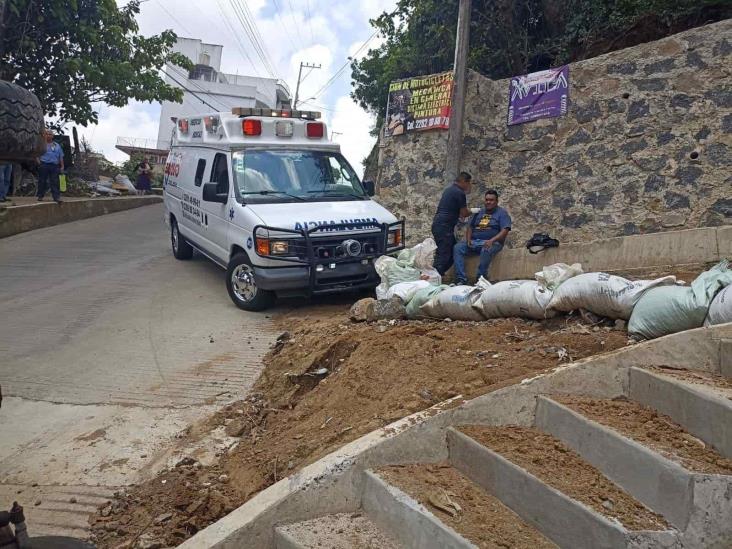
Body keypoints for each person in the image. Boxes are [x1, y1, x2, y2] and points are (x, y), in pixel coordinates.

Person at [453, 189, 512, 284]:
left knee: (486, 248)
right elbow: (470, 227)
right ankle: (461, 279)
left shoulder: (502, 213)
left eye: (491, 200)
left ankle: (480, 279)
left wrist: (491, 241)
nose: (488, 202)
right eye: (487, 200)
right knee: (458, 248)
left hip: (493, 243)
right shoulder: (479, 212)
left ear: (497, 202)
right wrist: (468, 240)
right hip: (475, 242)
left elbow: (505, 230)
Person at [431, 171, 473, 276]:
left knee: (451, 253)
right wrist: (473, 210)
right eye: (468, 183)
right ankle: (433, 278)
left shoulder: (449, 190)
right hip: (444, 226)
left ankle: (437, 275)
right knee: (444, 255)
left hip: (440, 225)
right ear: (464, 181)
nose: (469, 186)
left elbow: (454, 210)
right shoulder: (459, 192)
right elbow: (464, 213)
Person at [37, 130, 64, 203]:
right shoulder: (42, 144)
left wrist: (62, 166)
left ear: (52, 136)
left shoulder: (56, 145)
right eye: (47, 134)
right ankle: (40, 196)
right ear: (45, 135)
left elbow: (60, 156)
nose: (48, 135)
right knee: (42, 181)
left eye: (50, 134)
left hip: (54, 166)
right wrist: (39, 163)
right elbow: (36, 154)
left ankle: (56, 197)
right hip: (44, 164)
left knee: (55, 181)